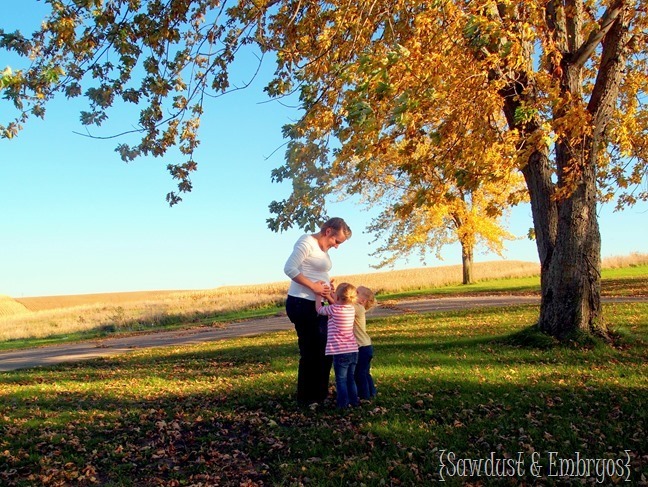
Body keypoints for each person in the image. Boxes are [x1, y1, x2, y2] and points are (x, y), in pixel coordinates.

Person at [284, 217, 352, 406]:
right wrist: (314, 287)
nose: (336, 246)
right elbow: (289, 268)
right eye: (336, 241)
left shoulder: (322, 249)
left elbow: (316, 273)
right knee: (311, 352)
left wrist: (327, 288)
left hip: (318, 303)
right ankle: (307, 399)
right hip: (302, 303)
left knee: (325, 350)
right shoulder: (307, 242)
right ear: (328, 231)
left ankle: (320, 396)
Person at [316, 282, 359, 409]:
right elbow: (337, 302)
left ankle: (343, 405)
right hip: (353, 350)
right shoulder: (351, 309)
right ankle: (354, 401)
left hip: (340, 352)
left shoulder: (333, 309)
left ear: (338, 298)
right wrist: (331, 294)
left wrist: (318, 295)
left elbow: (319, 309)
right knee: (351, 378)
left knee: (341, 380)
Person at [353, 286, 378, 400]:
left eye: (356, 292)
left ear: (362, 300)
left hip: (361, 347)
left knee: (359, 374)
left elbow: (339, 306)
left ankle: (364, 396)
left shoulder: (357, 308)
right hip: (366, 346)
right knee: (365, 372)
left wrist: (330, 295)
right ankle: (371, 392)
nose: (352, 293)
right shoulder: (358, 307)